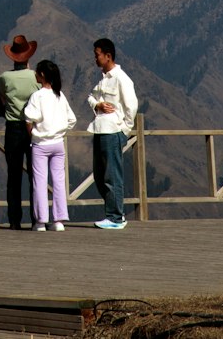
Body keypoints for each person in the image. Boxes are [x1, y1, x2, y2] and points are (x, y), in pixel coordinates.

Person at [87, 37, 138, 230]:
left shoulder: (121, 79)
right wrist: (97, 104)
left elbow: (131, 106)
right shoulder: (103, 79)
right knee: (100, 175)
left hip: (112, 131)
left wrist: (123, 130)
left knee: (112, 175)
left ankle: (116, 216)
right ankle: (113, 212)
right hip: (100, 129)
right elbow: (91, 96)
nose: (95, 58)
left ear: (108, 56)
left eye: (97, 54)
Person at [0, 34, 38, 229]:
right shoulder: (36, 77)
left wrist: (6, 112)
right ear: (28, 56)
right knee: (36, 175)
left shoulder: (4, 78)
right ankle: (37, 218)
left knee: (14, 176)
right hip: (34, 128)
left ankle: (14, 220)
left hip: (13, 128)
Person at [24, 60, 76, 232]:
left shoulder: (37, 96)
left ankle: (41, 222)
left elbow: (29, 119)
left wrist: (33, 133)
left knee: (39, 182)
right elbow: (72, 120)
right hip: (58, 143)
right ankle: (59, 220)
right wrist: (59, 131)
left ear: (43, 75)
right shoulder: (59, 95)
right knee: (59, 181)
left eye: (37, 72)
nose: (35, 74)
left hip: (40, 144)